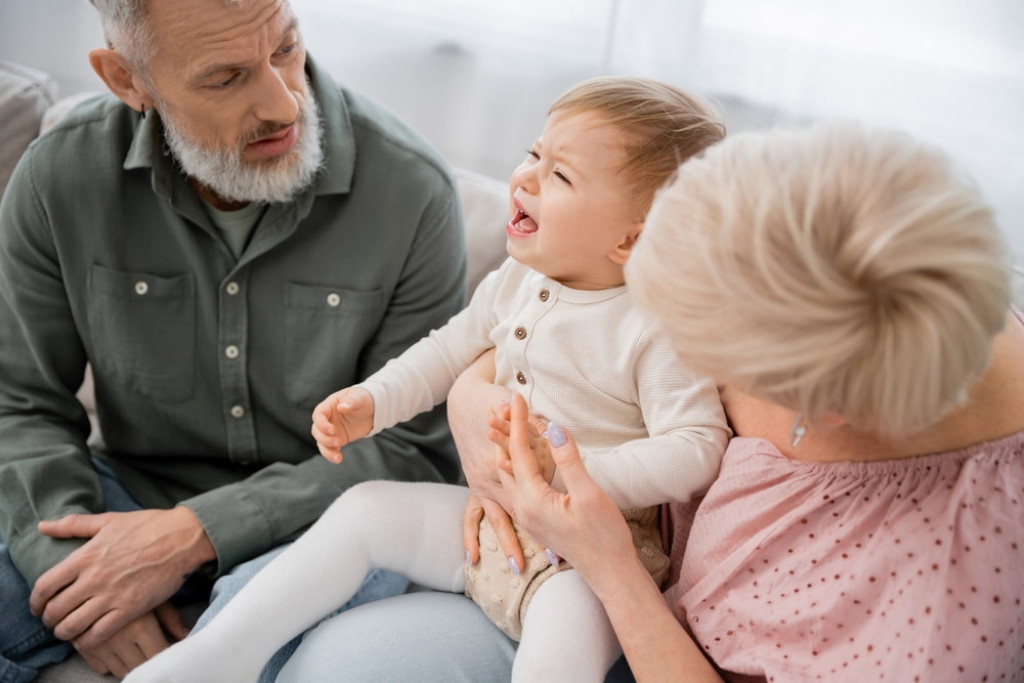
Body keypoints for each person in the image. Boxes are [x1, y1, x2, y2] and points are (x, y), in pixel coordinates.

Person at [124, 76, 731, 683]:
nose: (524, 178)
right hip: (490, 519)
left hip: (587, 562)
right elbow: (448, 351)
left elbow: (698, 447)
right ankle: (222, 655)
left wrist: (572, 478)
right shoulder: (518, 282)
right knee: (365, 510)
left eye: (561, 177)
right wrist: (374, 400)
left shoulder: (656, 331)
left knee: (558, 657)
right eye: (535, 154)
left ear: (631, 238)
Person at [0, 0, 467, 679]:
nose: (283, 104)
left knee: (267, 639)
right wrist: (85, 583)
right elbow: (20, 400)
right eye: (226, 77)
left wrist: (196, 532)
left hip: (319, 529)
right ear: (127, 80)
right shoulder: (57, 178)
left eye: (285, 47)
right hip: (124, 499)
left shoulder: (413, 192)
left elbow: (411, 451)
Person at [499, 123, 1024, 681]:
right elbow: (536, 318)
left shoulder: (933, 630)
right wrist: (471, 408)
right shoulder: (794, 239)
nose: (670, 347)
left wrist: (611, 568)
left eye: (697, 344)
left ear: (824, 408)